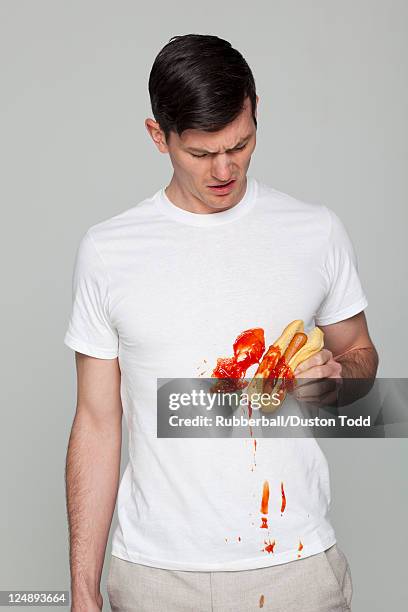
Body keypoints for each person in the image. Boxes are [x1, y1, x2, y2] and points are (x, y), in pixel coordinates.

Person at [64, 34, 378, 612]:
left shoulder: (317, 231)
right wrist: (82, 590)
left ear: (255, 110)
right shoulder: (108, 251)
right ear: (159, 136)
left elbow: (360, 355)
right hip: (154, 574)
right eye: (202, 154)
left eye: (241, 143)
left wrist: (337, 378)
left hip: (297, 566)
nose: (225, 169)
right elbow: (97, 422)